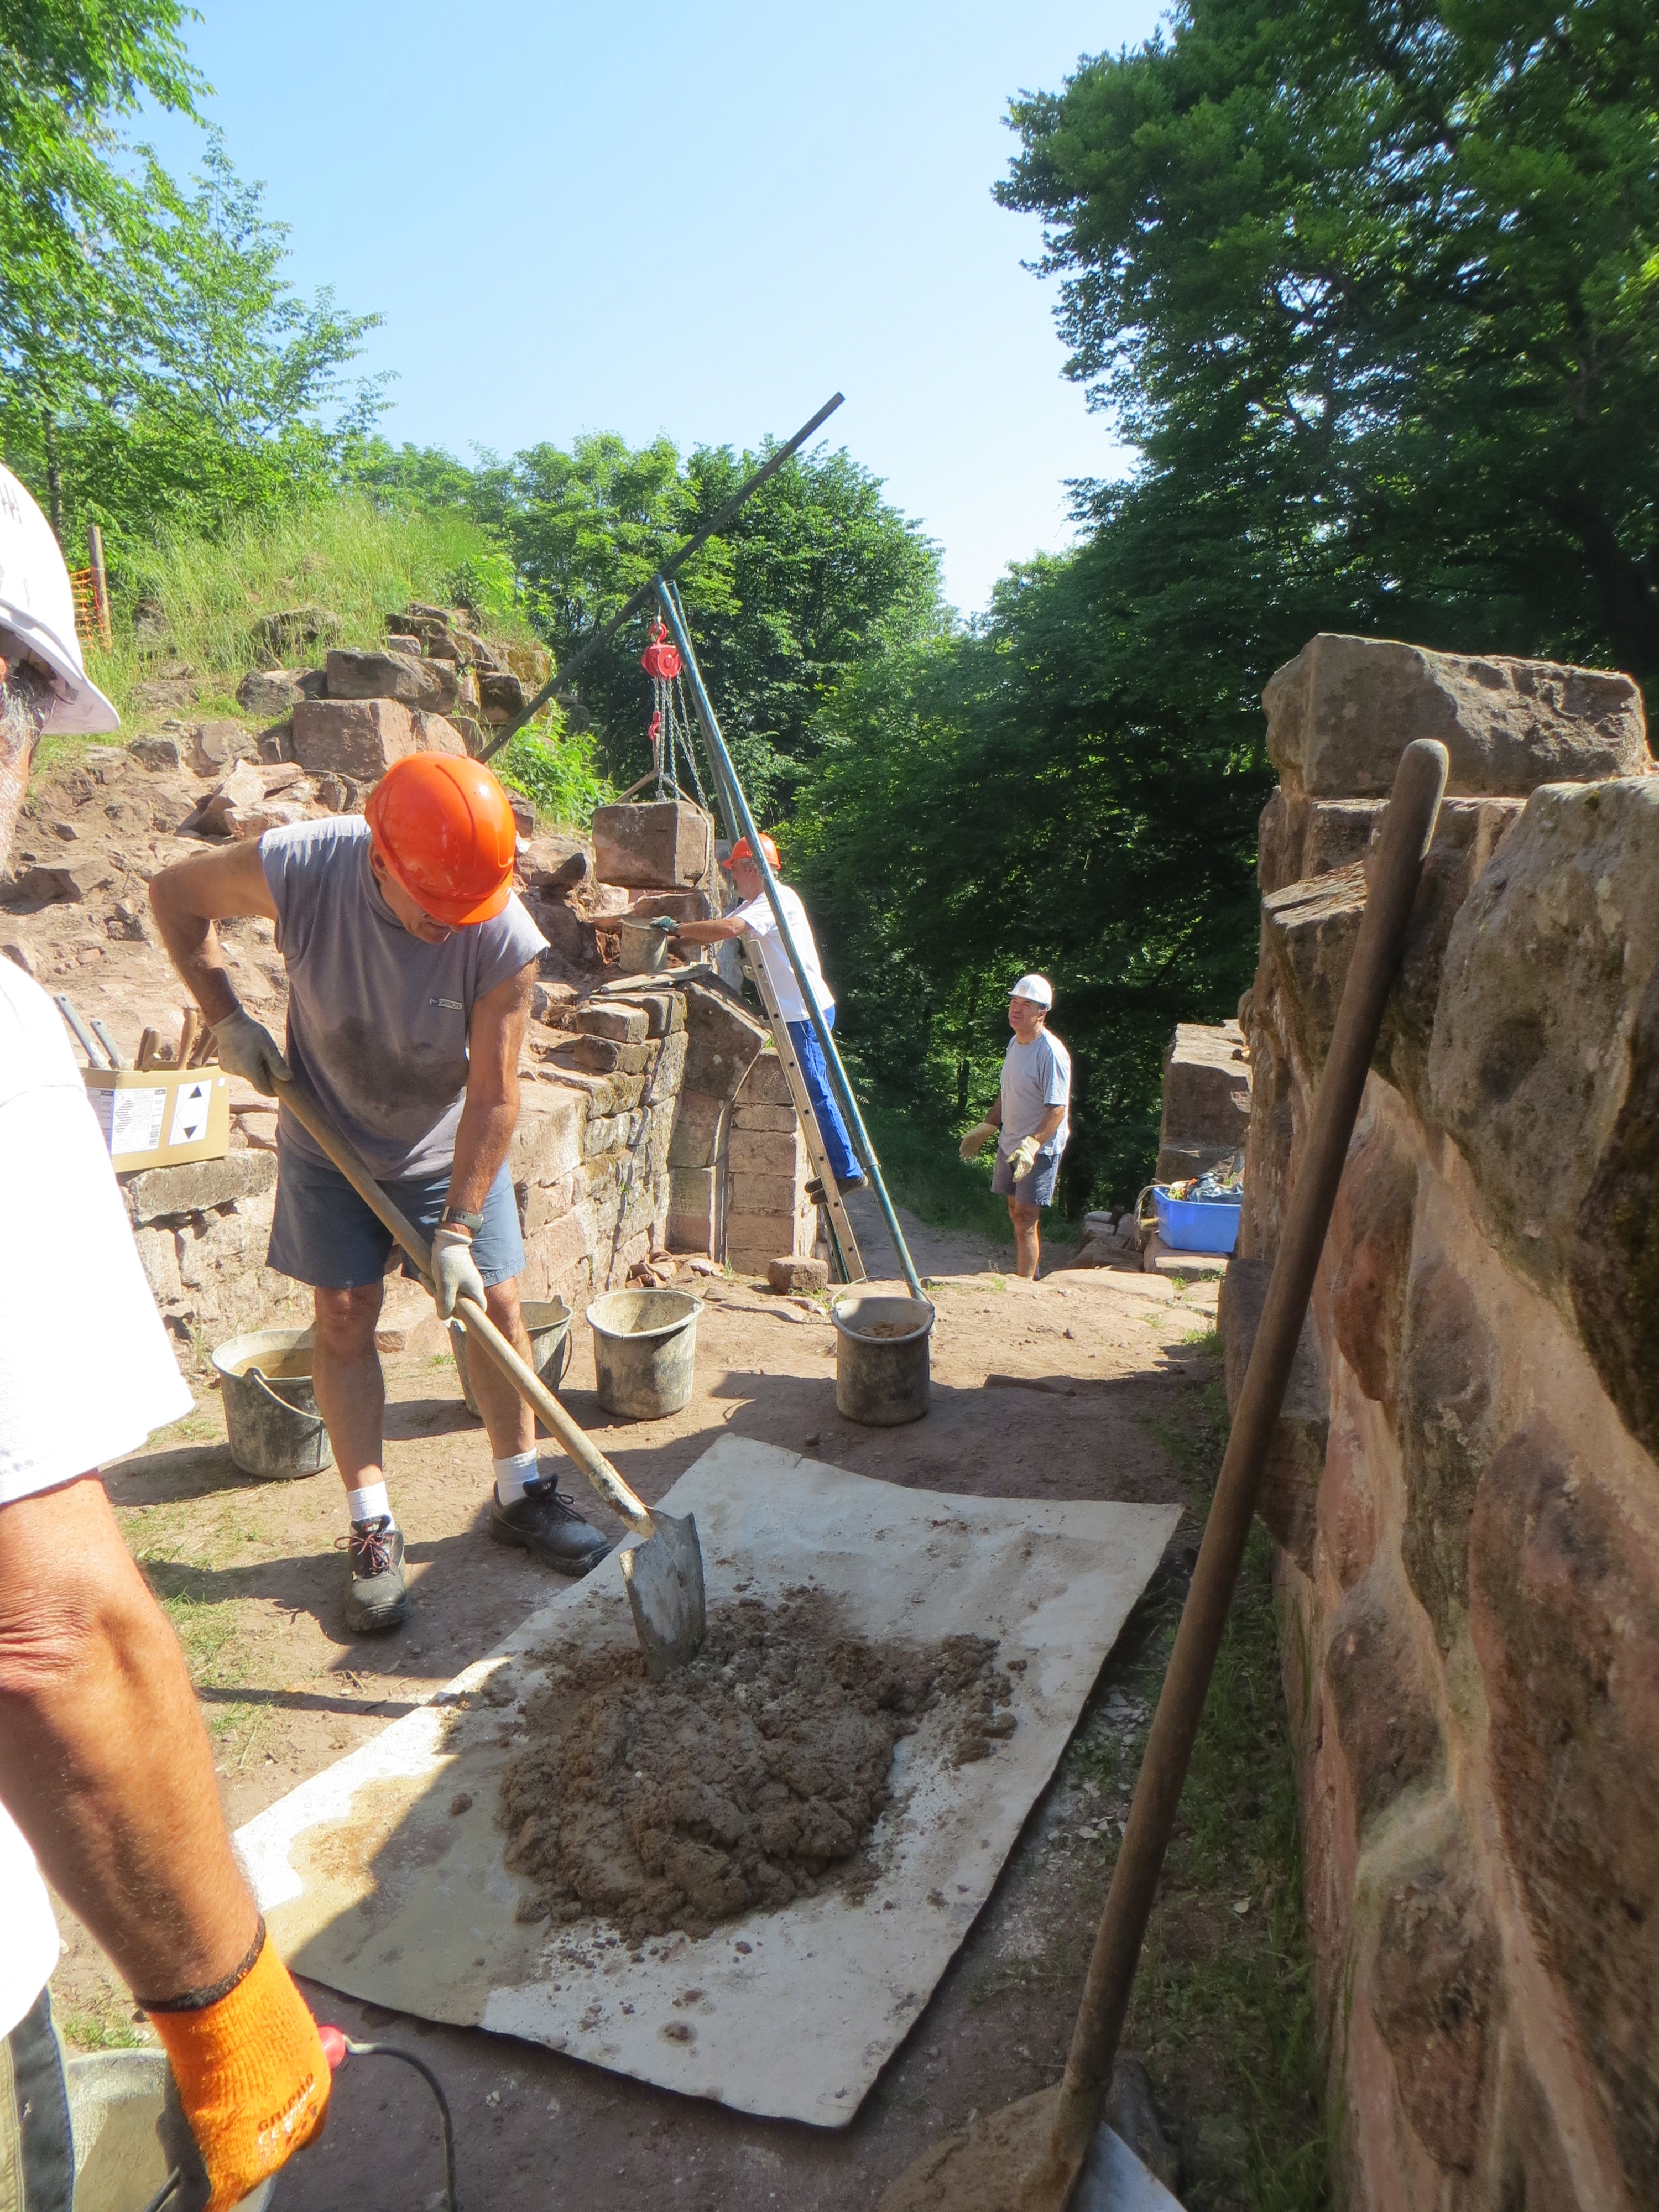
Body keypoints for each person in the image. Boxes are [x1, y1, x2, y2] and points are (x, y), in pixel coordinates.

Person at [0, 460, 329, 2212]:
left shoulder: (494, 932)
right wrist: (228, 2009)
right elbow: (47, 1630)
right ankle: (367, 1507)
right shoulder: (302, 864)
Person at [149, 753, 611, 1640]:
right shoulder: (302, 867)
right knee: (343, 1314)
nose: (450, 928)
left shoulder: (502, 935)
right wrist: (227, 1017)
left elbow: (495, 1096)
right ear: (380, 859)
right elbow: (173, 895)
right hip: (327, 1132)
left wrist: (459, 1228)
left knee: (497, 1306)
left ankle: (520, 1491)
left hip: (447, 1141)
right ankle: (371, 1525)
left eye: (465, 912)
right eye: (433, 909)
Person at [671, 831, 865, 1193]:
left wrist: (676, 929)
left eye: (734, 870)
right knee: (812, 1088)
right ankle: (838, 1168)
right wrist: (675, 937)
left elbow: (729, 928)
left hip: (804, 1013)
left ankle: (847, 1170)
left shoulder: (774, 899)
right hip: (802, 1010)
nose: (731, 878)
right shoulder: (762, 901)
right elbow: (720, 930)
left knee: (815, 1089)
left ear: (751, 868)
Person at [959, 974, 1071, 1279]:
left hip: (1038, 1149)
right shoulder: (1015, 1043)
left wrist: (1032, 1145)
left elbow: (1058, 1109)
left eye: (1026, 1004)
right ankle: (1029, 1275)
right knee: (1014, 1211)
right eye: (1014, 1002)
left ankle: (1024, 1286)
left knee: (1025, 1218)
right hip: (1011, 1143)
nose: (1016, 1009)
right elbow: (1007, 1091)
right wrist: (988, 1126)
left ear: (1042, 1012)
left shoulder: (1050, 1052)